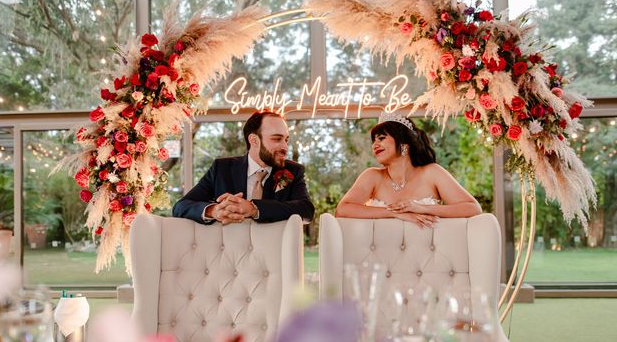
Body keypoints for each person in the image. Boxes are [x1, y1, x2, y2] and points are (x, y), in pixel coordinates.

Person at [335, 110, 481, 227]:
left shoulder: (432, 172)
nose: (374, 145)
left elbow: (473, 208)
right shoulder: (372, 176)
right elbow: (342, 210)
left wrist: (421, 208)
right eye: (373, 141)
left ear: (404, 145)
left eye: (381, 138)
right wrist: (395, 213)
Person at [173, 110, 315, 225]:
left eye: (286, 139)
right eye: (277, 139)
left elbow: (307, 210)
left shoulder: (293, 171)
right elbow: (181, 207)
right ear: (254, 140)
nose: (284, 146)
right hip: (228, 253)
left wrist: (254, 208)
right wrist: (214, 210)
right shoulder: (222, 169)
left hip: (274, 253)